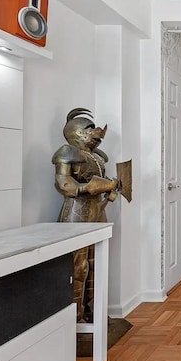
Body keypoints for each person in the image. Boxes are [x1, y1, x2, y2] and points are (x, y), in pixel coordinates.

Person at [52, 108, 119, 322]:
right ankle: (75, 319)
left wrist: (110, 189)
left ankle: (94, 314)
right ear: (78, 132)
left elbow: (100, 179)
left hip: (97, 210)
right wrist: (90, 188)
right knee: (78, 267)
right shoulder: (68, 151)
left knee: (97, 263)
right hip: (76, 212)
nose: (95, 135)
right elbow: (65, 184)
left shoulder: (97, 158)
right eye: (90, 129)